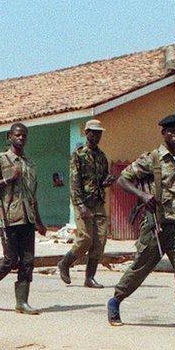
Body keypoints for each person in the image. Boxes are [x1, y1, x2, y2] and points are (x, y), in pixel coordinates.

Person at [106, 114, 175, 334]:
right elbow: (122, 180)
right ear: (163, 133)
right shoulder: (151, 159)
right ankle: (115, 301)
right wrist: (142, 197)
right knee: (140, 268)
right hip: (156, 226)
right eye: (172, 131)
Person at [0, 123, 47, 315]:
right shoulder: (2, 159)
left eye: (24, 135)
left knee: (27, 260)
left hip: (28, 219)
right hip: (9, 218)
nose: (21, 138)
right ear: (10, 137)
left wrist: (39, 222)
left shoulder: (29, 163)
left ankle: (21, 302)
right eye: (17, 135)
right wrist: (8, 179)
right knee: (10, 260)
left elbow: (33, 196)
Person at [57, 119, 116, 288]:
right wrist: (80, 205)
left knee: (100, 241)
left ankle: (89, 277)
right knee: (85, 238)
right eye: (94, 132)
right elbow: (74, 182)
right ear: (86, 132)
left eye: (99, 133)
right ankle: (65, 263)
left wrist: (107, 182)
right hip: (82, 202)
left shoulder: (102, 157)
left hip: (97, 202)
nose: (97, 136)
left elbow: (101, 180)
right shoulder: (78, 154)